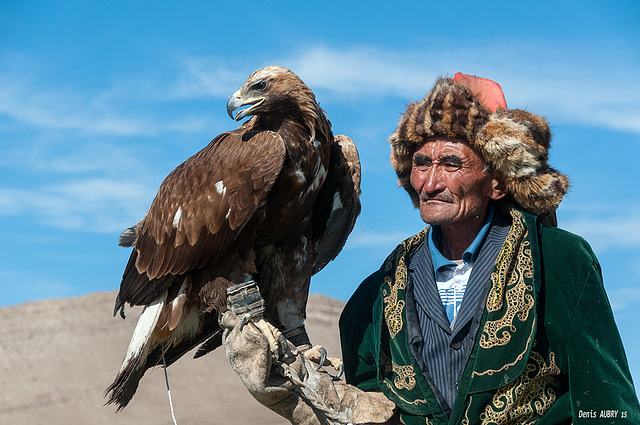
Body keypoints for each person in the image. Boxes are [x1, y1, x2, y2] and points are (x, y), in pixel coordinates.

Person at [220, 73, 640, 424]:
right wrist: (309, 398)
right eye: (421, 163)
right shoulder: (371, 300)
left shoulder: (561, 262)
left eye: (452, 164)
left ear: (497, 181)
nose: (431, 182)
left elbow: (610, 408)